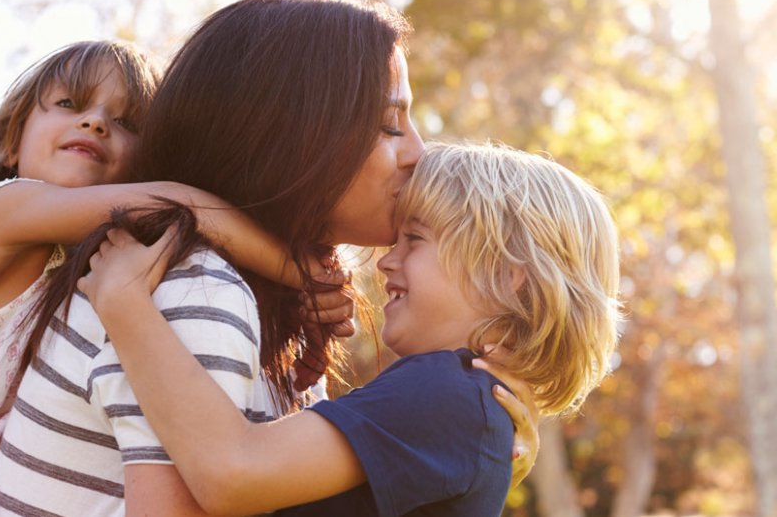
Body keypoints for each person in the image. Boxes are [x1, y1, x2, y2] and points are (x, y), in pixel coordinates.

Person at [0, 0, 540, 517]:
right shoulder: (193, 293)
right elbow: (229, 474)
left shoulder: (245, 299)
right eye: (389, 123)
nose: (418, 152)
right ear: (292, 136)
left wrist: (460, 451)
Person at [0, 40, 350, 517]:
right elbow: (182, 206)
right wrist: (301, 274)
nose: (96, 123)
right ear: (10, 143)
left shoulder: (75, 266)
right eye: (70, 104)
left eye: (126, 123)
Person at [84, 142, 622, 516]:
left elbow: (231, 472)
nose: (387, 262)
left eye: (415, 239)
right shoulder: (465, 403)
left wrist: (124, 301)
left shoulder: (446, 391)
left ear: (508, 278)